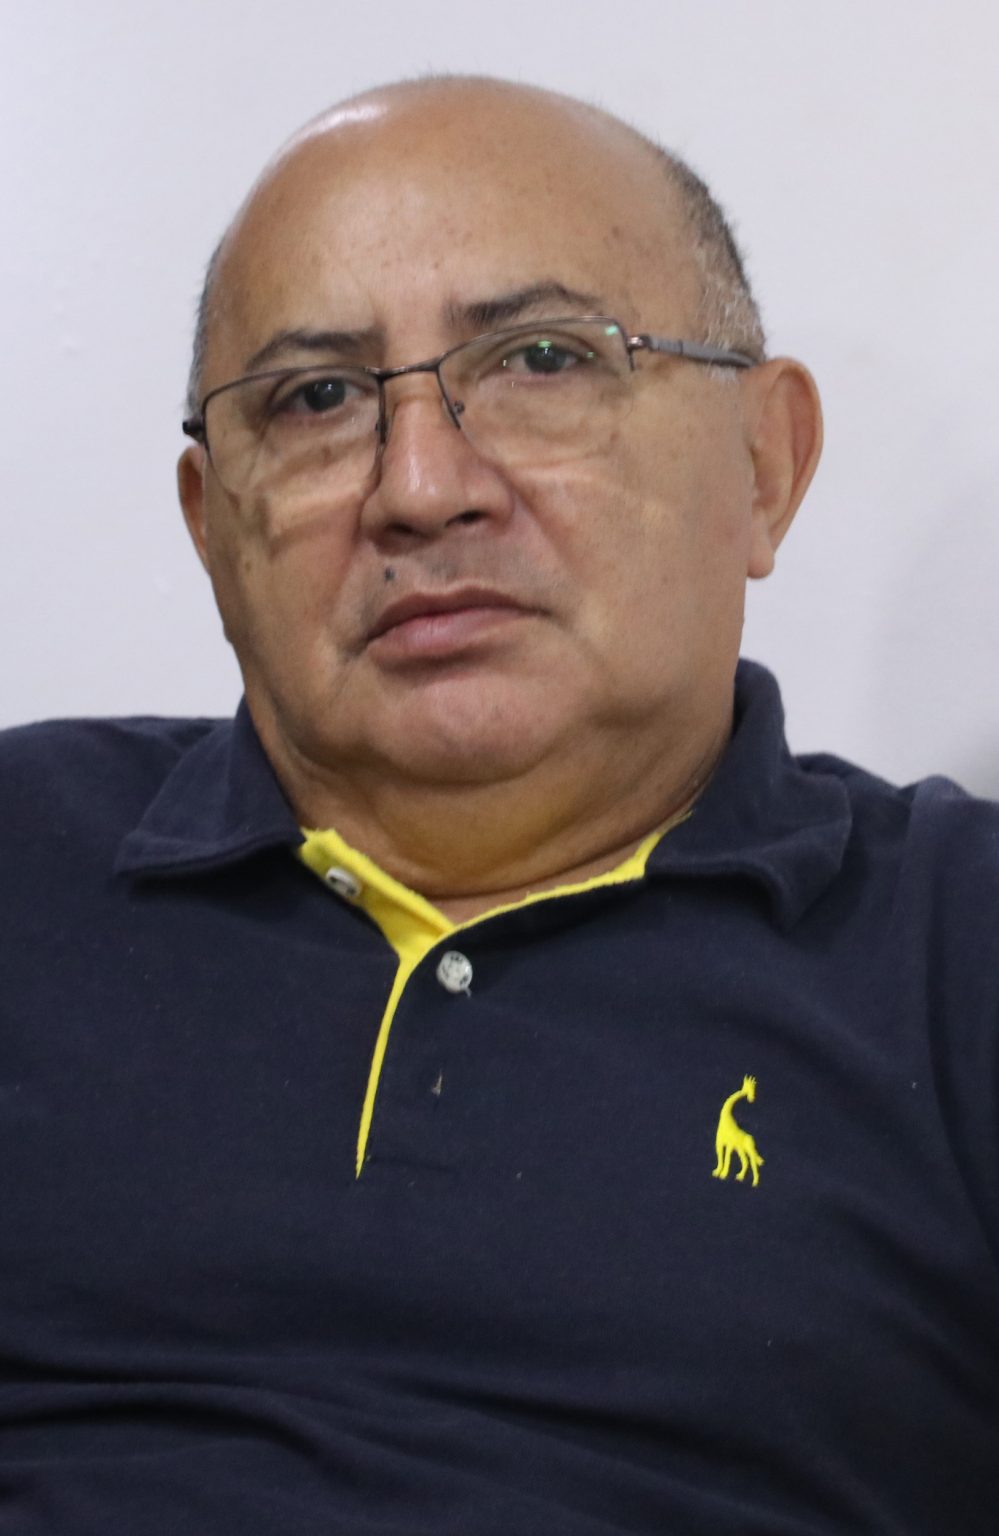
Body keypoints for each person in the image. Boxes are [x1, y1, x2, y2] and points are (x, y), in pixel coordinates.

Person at [1, 74, 997, 1536]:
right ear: (212, 529)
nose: (420, 487)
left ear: (765, 464)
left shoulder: (957, 950)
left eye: (541, 359)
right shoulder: (23, 864)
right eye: (317, 398)